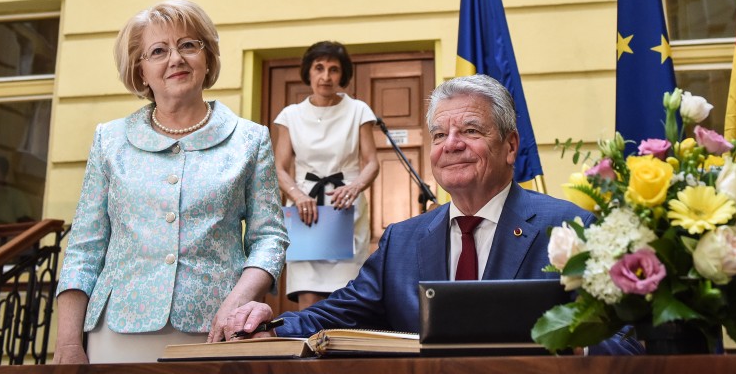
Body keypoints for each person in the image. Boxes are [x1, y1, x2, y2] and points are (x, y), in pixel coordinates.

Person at [224, 75, 642, 354]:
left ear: (511, 146)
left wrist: (564, 348)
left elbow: (626, 338)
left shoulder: (568, 228)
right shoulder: (402, 241)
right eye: (440, 134)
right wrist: (272, 323)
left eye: (471, 131)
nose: (451, 144)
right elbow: (335, 314)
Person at [52, 0, 288, 363]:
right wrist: (68, 344)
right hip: (117, 330)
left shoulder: (250, 140)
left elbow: (269, 238)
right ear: (141, 71)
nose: (175, 58)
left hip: (216, 330)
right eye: (158, 51)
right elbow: (84, 248)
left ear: (207, 58)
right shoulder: (109, 140)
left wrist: (237, 302)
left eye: (189, 45)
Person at [274, 41, 379, 308]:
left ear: (342, 75)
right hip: (305, 211)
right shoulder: (291, 115)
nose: (326, 76)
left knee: (345, 297)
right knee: (307, 296)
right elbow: (279, 167)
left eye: (333, 69)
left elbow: (372, 163)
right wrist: (297, 195)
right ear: (308, 72)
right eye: (319, 68)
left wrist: (354, 187)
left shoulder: (358, 110)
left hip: (345, 209)